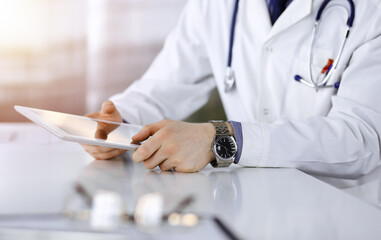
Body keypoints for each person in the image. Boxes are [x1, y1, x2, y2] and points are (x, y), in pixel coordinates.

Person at [82, 0, 381, 178]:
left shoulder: (372, 11)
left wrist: (224, 139)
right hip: (250, 203)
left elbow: (362, 139)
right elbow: (169, 81)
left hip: (341, 211)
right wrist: (120, 119)